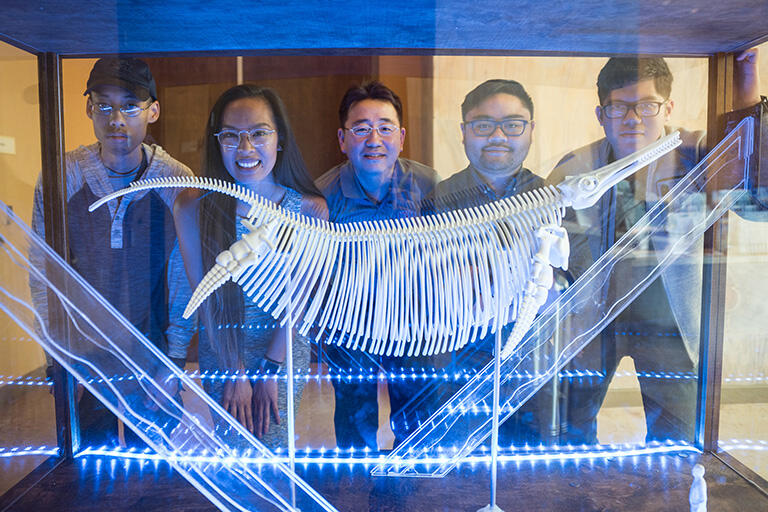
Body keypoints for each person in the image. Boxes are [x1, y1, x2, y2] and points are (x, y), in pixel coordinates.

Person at [545, 51, 762, 444]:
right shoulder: (575, 168)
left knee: (676, 439)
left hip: (671, 322)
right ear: (600, 114)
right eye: (619, 107)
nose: (633, 119)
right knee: (571, 429)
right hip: (593, 320)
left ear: (668, 108)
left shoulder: (698, 154)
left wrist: (746, 71)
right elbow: (546, 254)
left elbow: (755, 202)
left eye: (647, 105)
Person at [31, 57, 194, 448]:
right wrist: (58, 358)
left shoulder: (176, 180)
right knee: (92, 469)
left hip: (152, 346)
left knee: (154, 469)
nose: (116, 119)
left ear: (153, 111)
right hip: (85, 351)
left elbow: (183, 274)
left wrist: (174, 358)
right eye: (104, 105)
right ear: (89, 108)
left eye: (130, 106)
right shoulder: (63, 174)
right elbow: (43, 268)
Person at [174, 84, 328, 448]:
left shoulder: (309, 209)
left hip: (285, 348)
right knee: (234, 452)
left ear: (279, 139)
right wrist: (235, 371)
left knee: (275, 447)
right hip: (223, 349)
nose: (245, 148)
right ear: (217, 141)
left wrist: (270, 371)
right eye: (231, 135)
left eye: (259, 133)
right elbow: (205, 298)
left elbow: (301, 302)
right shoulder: (194, 204)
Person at [428, 79, 557, 446]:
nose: (498, 135)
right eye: (483, 125)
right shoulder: (441, 198)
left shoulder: (552, 199)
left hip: (533, 365)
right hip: (458, 366)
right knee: (460, 463)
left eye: (513, 124)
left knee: (533, 471)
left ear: (530, 131)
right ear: (464, 132)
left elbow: (571, 281)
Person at [315, 81, 438, 450]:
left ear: (401, 137)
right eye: (361, 128)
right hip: (350, 324)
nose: (374, 139)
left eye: (385, 128)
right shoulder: (322, 196)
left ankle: (414, 489)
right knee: (356, 417)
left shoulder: (430, 186)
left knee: (418, 415)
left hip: (415, 321)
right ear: (342, 138)